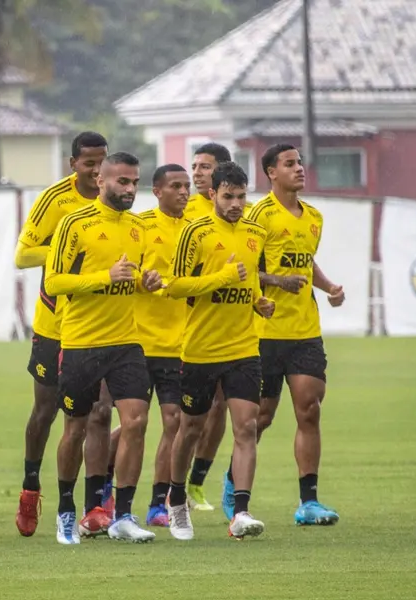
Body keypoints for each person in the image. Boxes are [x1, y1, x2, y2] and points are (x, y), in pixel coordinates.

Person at [45, 152, 163, 544]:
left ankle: (123, 516)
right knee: (76, 427)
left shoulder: (137, 228)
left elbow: (134, 278)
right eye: (122, 182)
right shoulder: (74, 224)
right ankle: (65, 510)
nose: (130, 189)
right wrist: (104, 276)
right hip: (81, 342)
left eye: (134, 182)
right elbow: (55, 282)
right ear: (101, 180)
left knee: (137, 422)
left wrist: (146, 280)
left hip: (126, 342)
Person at [234, 143, 345, 526]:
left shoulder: (313, 217)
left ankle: (309, 502)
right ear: (270, 172)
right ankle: (235, 485)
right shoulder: (258, 215)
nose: (299, 168)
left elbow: (306, 261)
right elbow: (244, 267)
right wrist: (278, 281)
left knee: (309, 411)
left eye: (299, 162)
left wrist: (329, 287)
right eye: (289, 164)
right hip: (263, 332)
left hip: (305, 331)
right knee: (260, 417)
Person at [165, 162, 274, 541]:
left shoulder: (255, 233)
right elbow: (176, 287)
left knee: (247, 426)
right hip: (200, 349)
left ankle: (240, 511)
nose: (236, 203)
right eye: (228, 196)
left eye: (242, 196)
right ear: (212, 194)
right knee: (191, 427)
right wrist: (223, 278)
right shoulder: (195, 232)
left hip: (244, 347)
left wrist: (259, 302)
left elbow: (251, 279)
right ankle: (176, 499)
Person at [13, 131, 115, 538]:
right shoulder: (55, 199)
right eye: (88, 163)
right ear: (73, 163)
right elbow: (23, 254)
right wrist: (71, 250)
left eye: (101, 162)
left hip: (101, 326)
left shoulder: (115, 200)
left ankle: (95, 505)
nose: (96, 170)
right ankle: (30, 485)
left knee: (100, 413)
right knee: (47, 410)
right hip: (55, 324)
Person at [105, 164, 190, 527]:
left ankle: (159, 503)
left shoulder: (194, 232)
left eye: (187, 186)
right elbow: (124, 272)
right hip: (139, 342)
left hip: (179, 344)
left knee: (175, 421)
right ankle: (104, 486)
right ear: (157, 191)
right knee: (130, 425)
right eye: (176, 186)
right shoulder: (140, 228)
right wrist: (145, 279)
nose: (184, 192)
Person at [181, 141, 232, 512]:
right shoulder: (181, 210)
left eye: (205, 166)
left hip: (226, 328)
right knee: (167, 418)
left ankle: (196, 482)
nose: (196, 173)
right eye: (194, 166)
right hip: (177, 330)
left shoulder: (237, 212)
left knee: (221, 407)